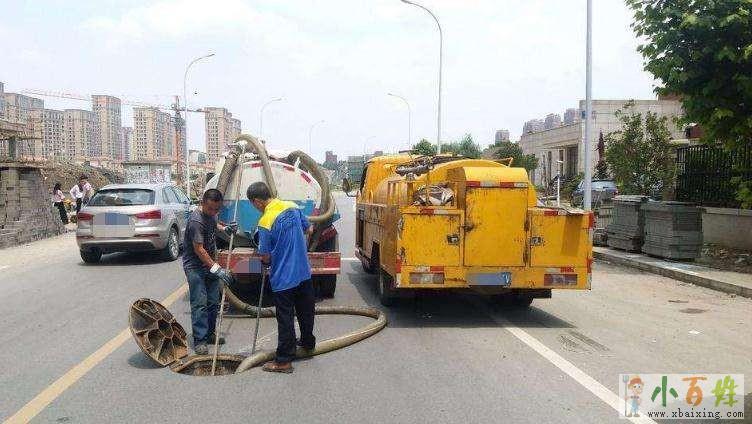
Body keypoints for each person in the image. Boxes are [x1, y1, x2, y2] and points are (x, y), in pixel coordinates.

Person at [247, 181, 315, 374]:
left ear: (257, 201)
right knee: (306, 311)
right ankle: (308, 343)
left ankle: (284, 360)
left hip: (284, 278)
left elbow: (265, 256)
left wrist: (265, 260)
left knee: (285, 318)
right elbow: (308, 229)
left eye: (253, 204)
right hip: (303, 272)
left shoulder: (265, 221)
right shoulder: (292, 206)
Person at [181, 188, 238, 355]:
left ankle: (210, 333)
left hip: (209, 265)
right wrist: (217, 269)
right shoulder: (196, 221)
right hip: (195, 267)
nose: (213, 212)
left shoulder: (211, 215)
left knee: (213, 302)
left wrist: (225, 229)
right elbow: (199, 249)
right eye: (210, 209)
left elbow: (214, 224)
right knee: (200, 304)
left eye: (216, 209)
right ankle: (200, 340)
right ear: (202, 203)